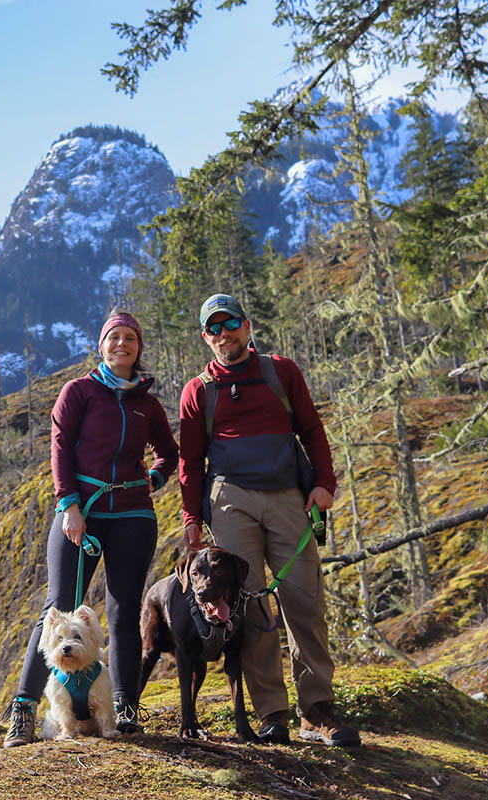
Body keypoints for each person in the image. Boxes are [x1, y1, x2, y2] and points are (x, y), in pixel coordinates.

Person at [178, 293, 360, 748]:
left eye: (231, 324)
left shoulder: (282, 371)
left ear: (247, 325)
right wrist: (191, 519)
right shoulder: (198, 390)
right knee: (249, 605)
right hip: (229, 498)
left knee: (304, 600)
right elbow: (190, 460)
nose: (224, 335)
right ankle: (272, 713)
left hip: (287, 497)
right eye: (214, 329)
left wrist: (325, 484)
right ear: (205, 338)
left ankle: (317, 711)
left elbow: (312, 428)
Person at [3, 309, 179, 747]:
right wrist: (70, 507)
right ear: (101, 345)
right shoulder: (78, 392)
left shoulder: (147, 404)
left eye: (130, 339)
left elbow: (169, 455)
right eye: (114, 337)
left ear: (138, 348)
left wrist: (151, 481)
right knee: (57, 608)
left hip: (134, 517)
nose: (122, 344)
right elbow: (60, 449)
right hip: (82, 510)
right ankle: (23, 711)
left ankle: (124, 708)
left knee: (123, 614)